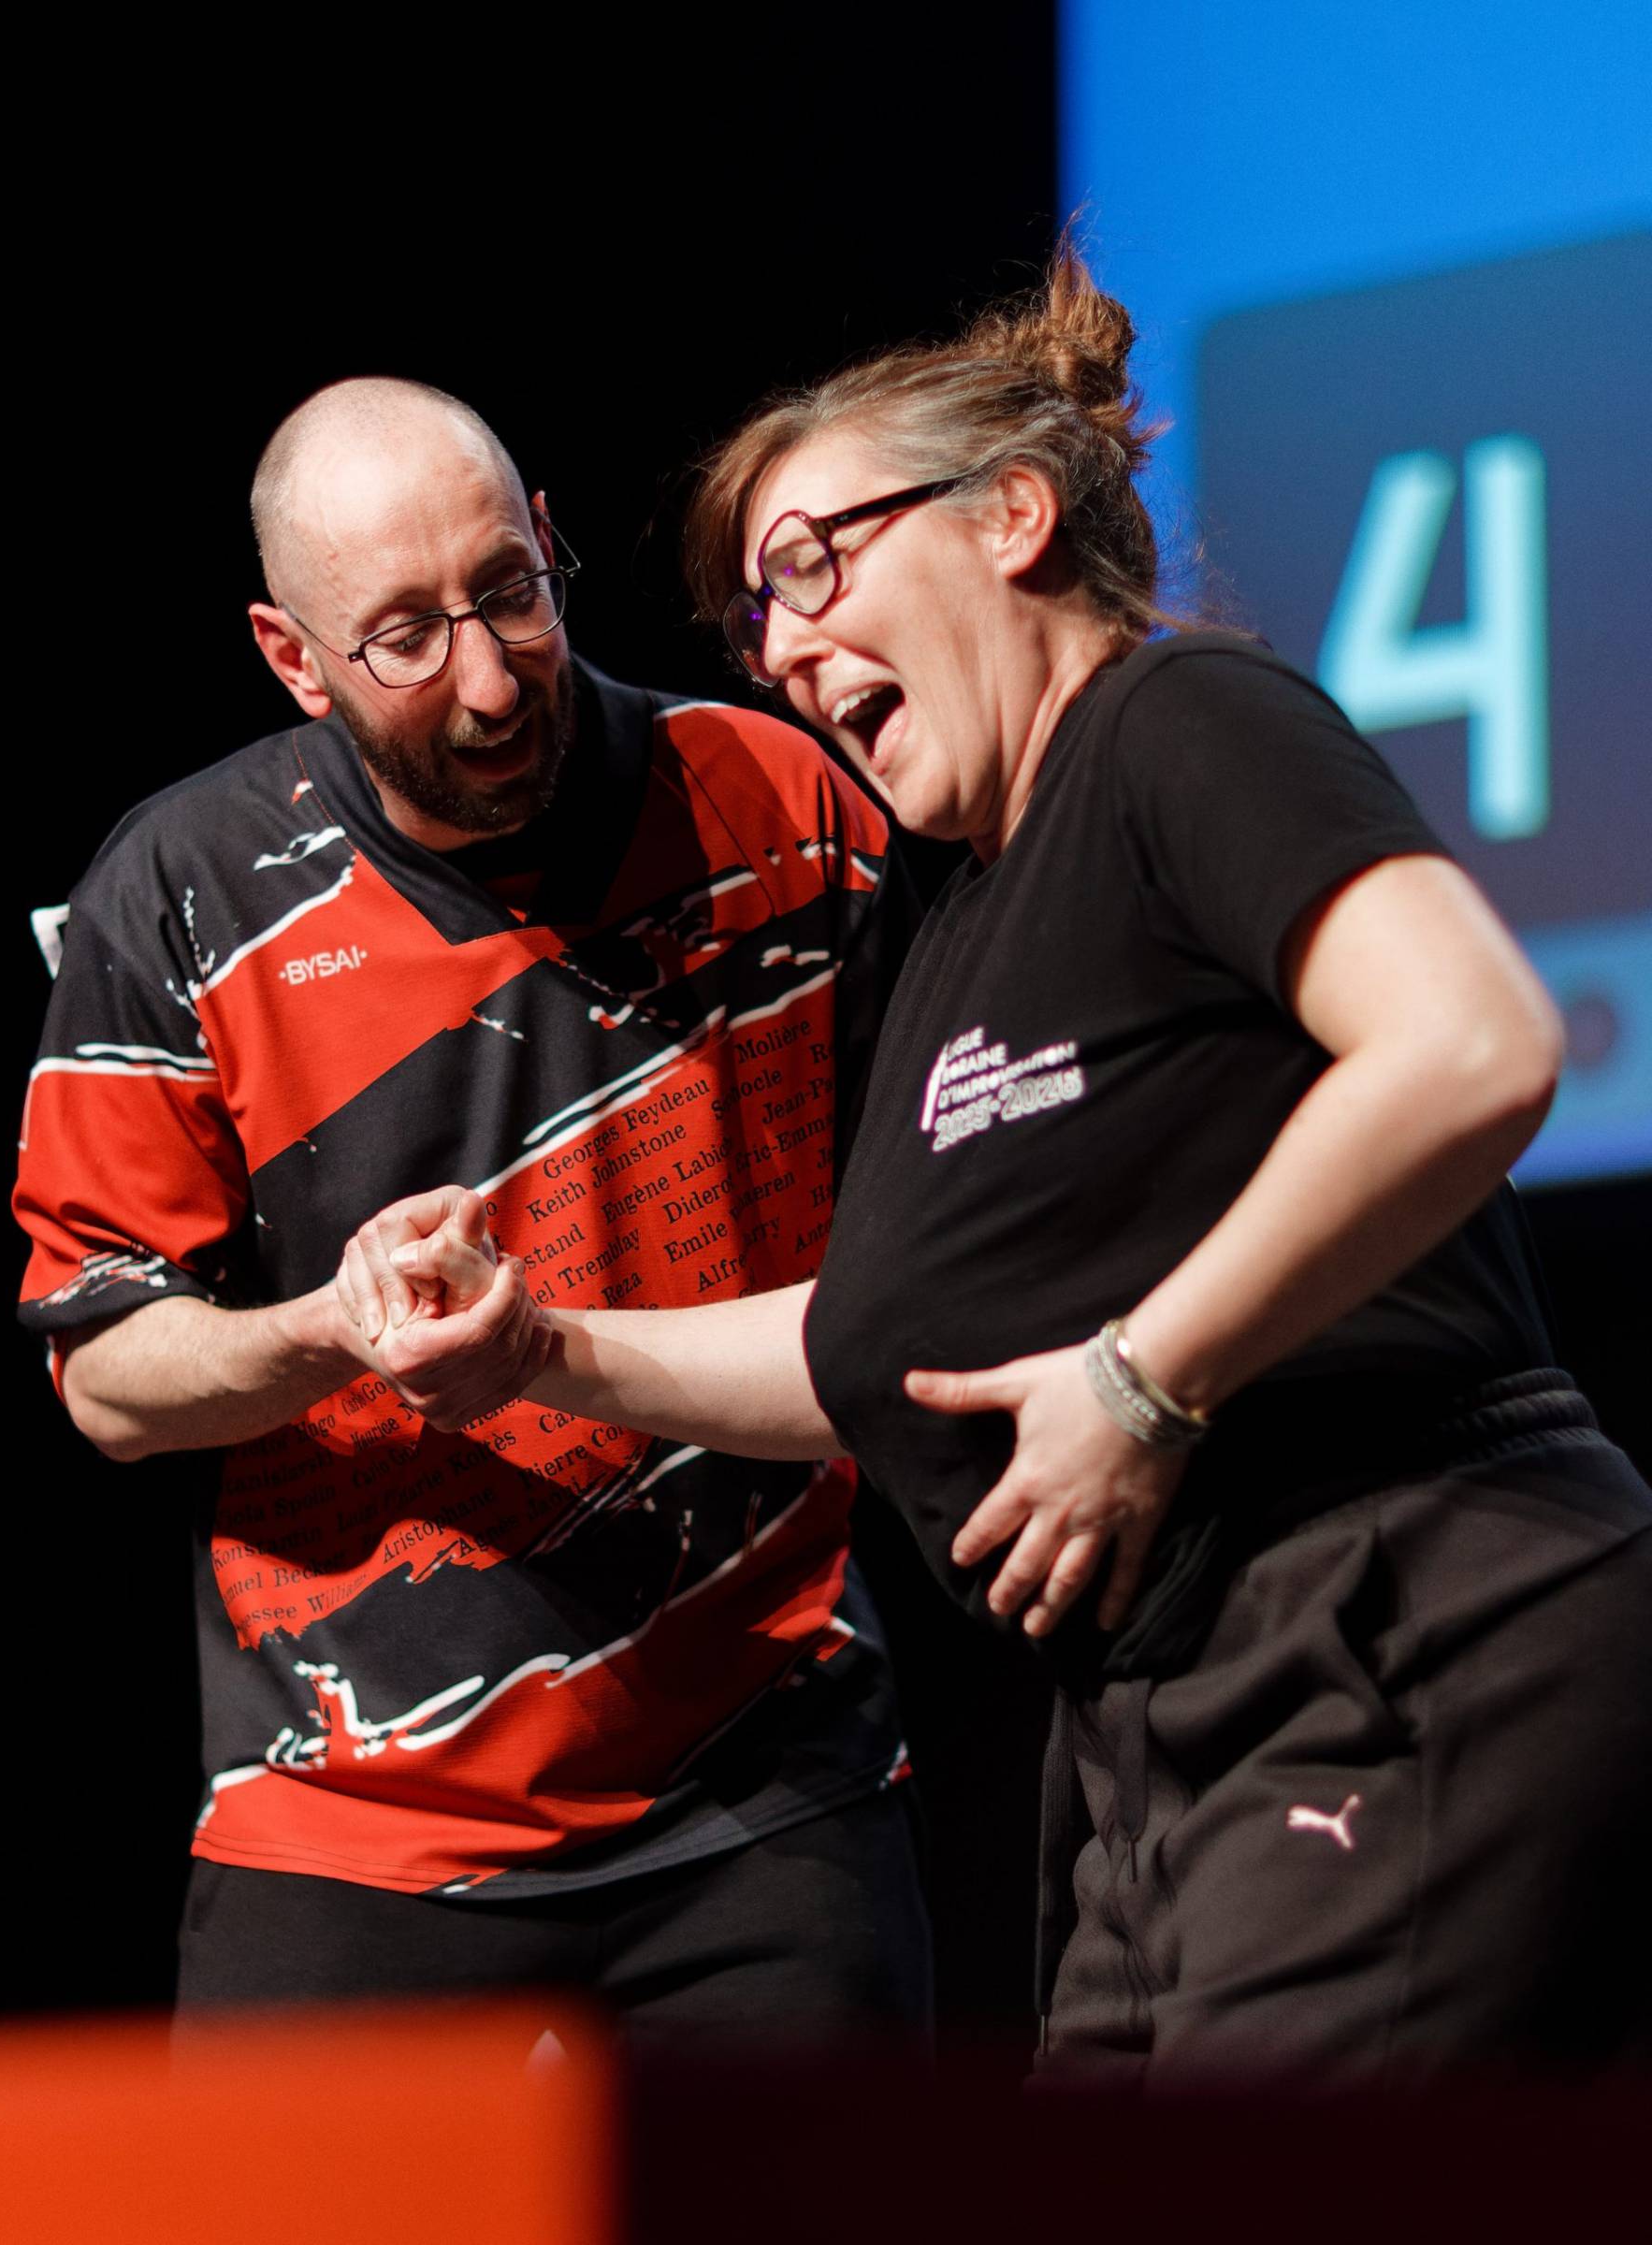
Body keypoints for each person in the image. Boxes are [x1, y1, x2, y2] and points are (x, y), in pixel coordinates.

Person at [349, 249, 1652, 2088]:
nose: (785, 646)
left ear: (1013, 520)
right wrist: (545, 1350)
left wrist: (1143, 1378)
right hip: (1160, 1717)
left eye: (812, 564)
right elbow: (875, 1350)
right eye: (752, 621)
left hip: (1395, 1608)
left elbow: (1471, 1045)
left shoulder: (1174, 722)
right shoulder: (953, 919)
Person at [12, 377, 931, 2044]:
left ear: (551, 546)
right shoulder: (179, 891)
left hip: (769, 1786)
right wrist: (328, 1331)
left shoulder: (774, 802)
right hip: (354, 1830)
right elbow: (102, 1376)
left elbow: (929, 1253)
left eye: (510, 593)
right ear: (293, 657)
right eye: (407, 638)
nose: (496, 680)